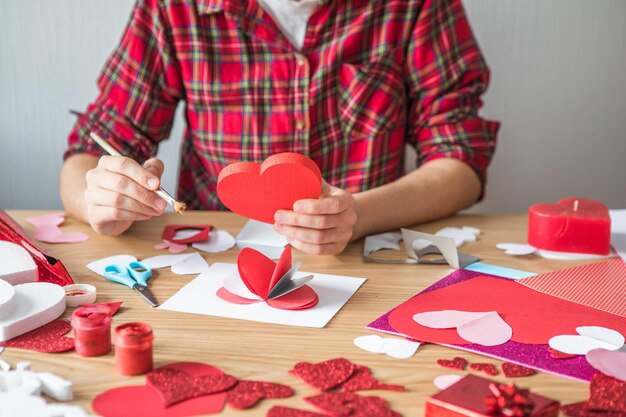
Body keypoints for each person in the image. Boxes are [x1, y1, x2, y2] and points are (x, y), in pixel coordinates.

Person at [60, 0, 499, 255]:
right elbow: (95, 145)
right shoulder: (174, 7)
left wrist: (359, 214)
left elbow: (459, 159)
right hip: (214, 265)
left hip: (366, 258)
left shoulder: (414, 7)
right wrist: (97, 197)